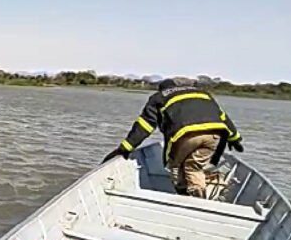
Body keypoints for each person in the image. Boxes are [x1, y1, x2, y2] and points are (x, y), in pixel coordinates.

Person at [102, 79, 244, 198]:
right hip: (215, 134)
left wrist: (125, 148)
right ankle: (200, 200)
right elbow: (224, 118)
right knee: (194, 167)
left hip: (185, 134)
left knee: (175, 166)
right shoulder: (203, 94)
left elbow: (144, 126)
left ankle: (183, 196)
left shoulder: (158, 97)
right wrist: (234, 138)